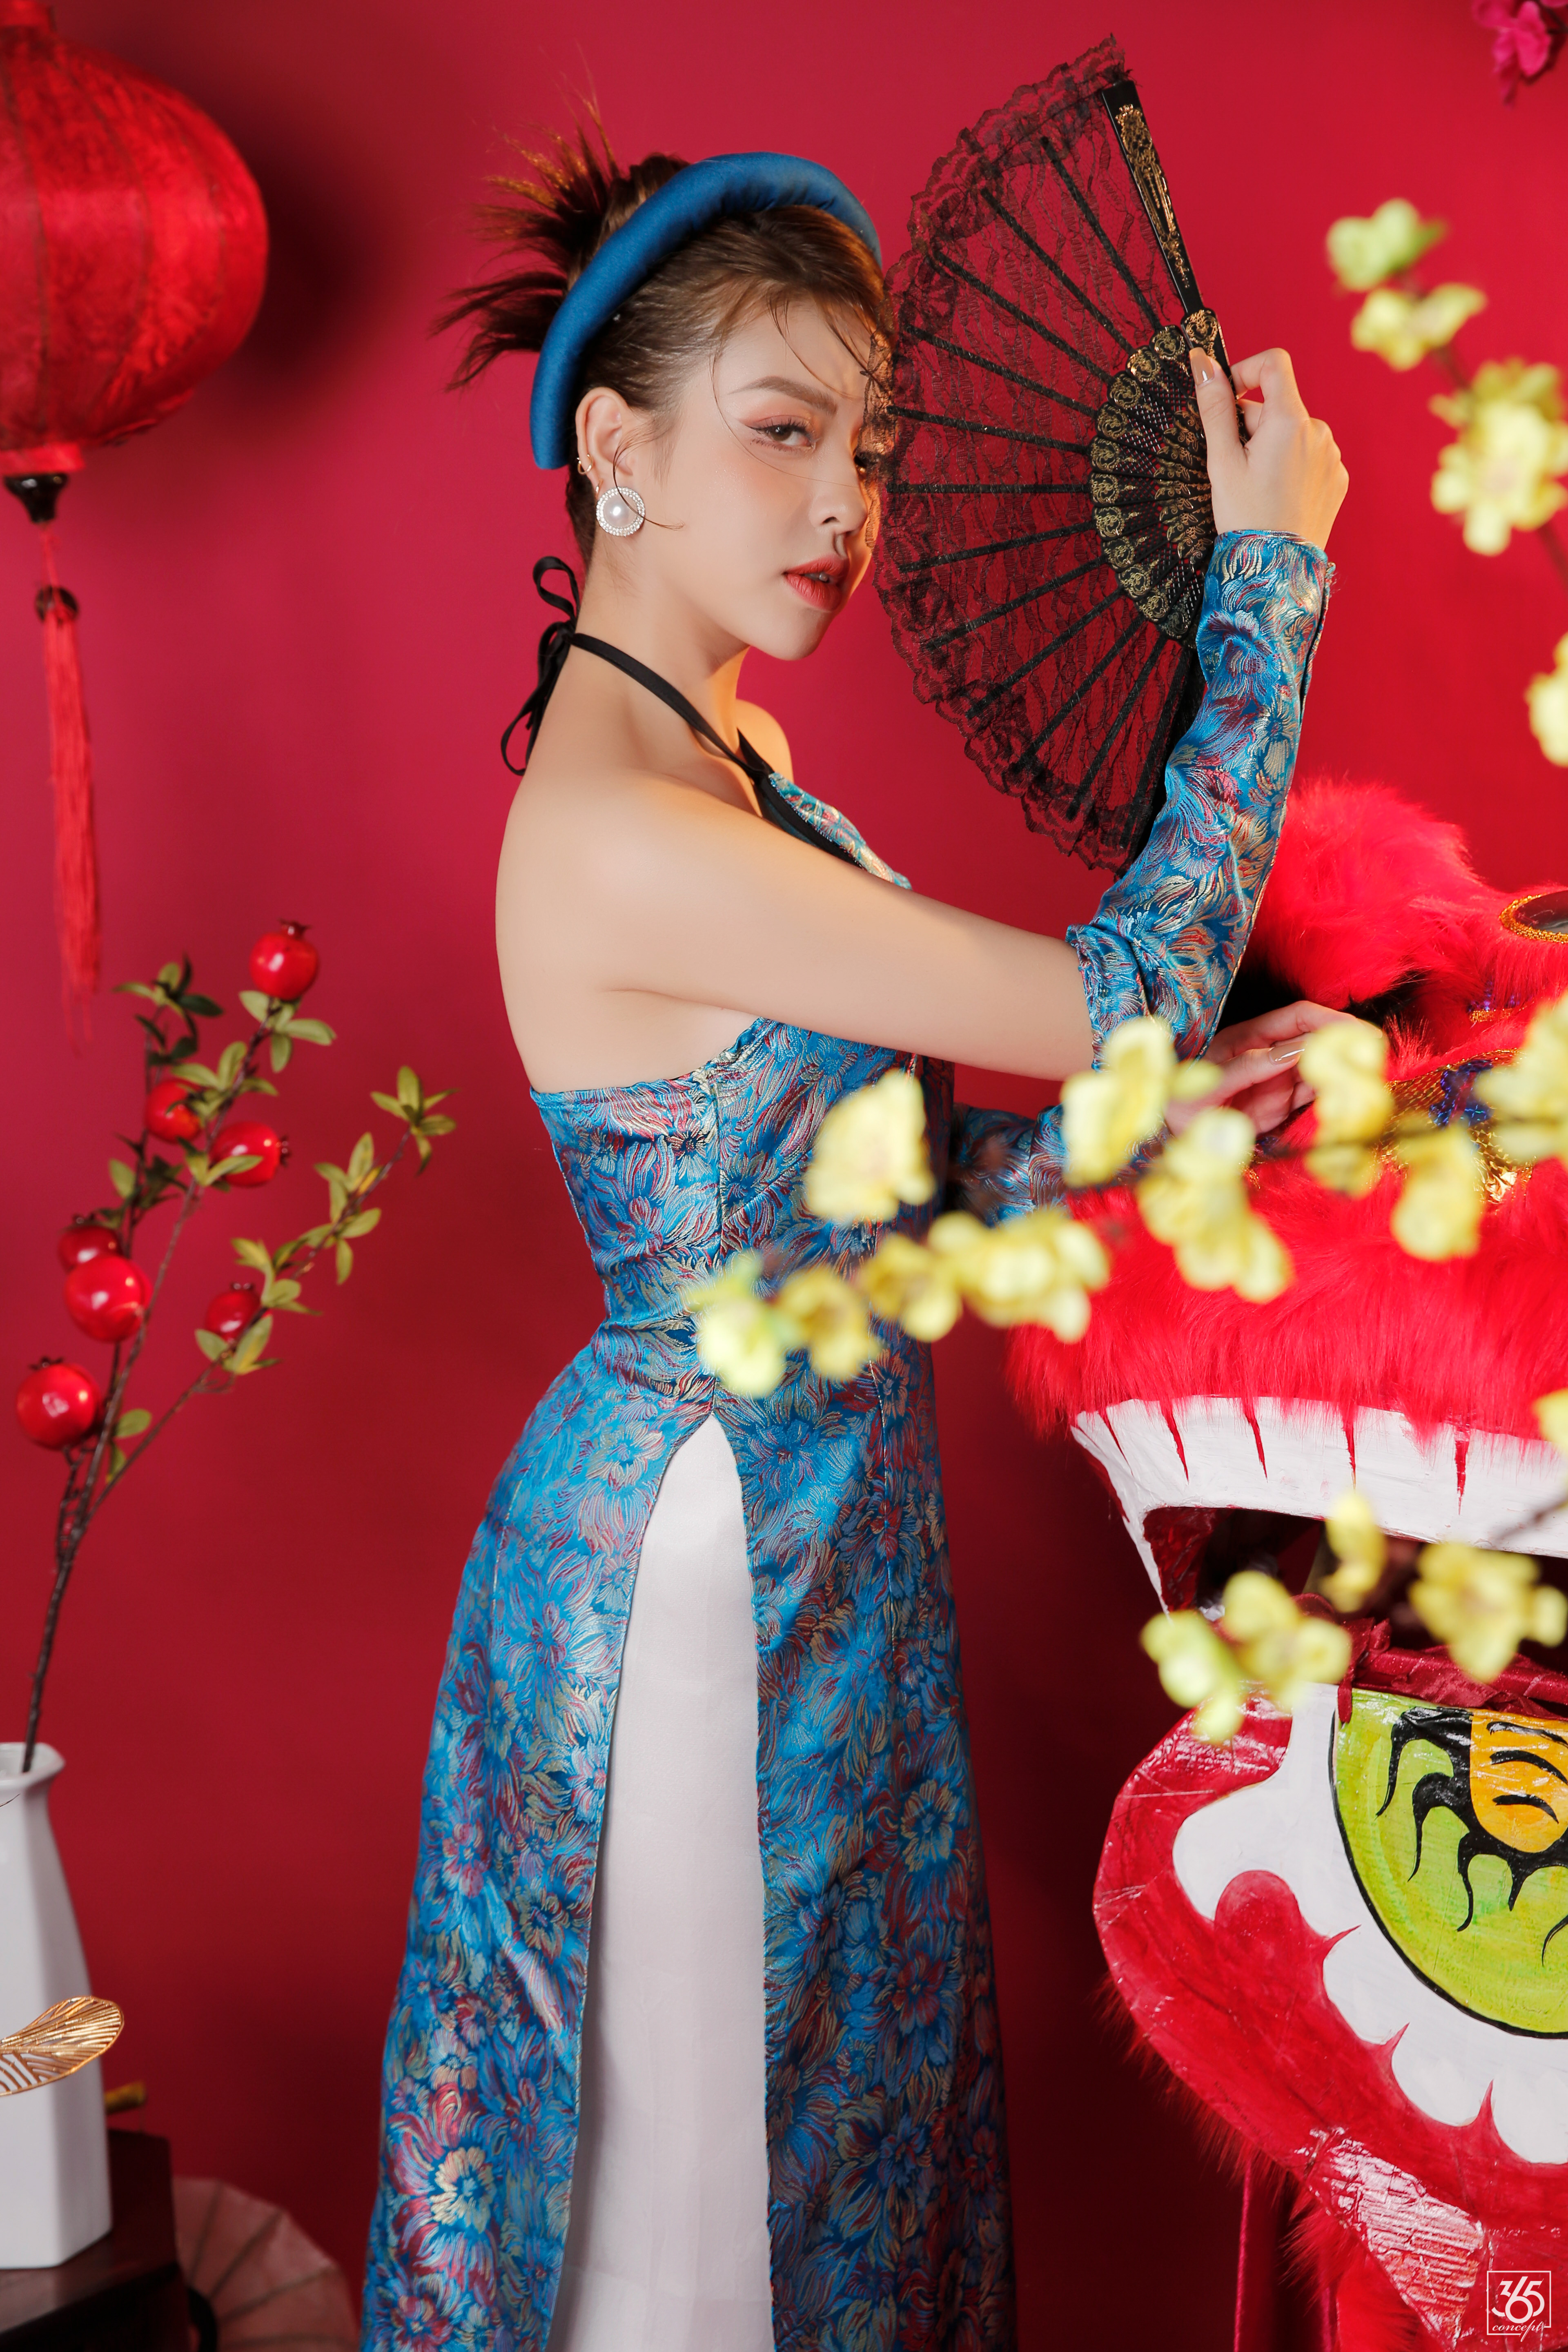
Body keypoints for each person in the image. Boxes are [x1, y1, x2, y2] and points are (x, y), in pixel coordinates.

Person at [361, 122, 1347, 2352]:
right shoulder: (627, 832)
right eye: (783, 432)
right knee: (707, 2183)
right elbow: (1117, 993)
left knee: (820, 2112)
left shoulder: (733, 766)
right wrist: (1269, 587)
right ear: (618, 453)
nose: (844, 505)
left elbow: (879, 1182)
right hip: (696, 1540)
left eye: (870, 451)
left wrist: (1143, 1137)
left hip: (803, 1508)